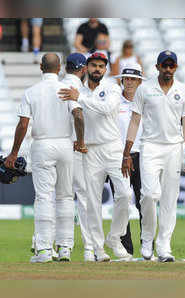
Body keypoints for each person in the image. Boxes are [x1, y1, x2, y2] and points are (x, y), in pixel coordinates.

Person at [4, 53, 86, 263]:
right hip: (65, 144)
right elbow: (78, 116)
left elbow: (23, 125)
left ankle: (44, 251)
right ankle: (65, 248)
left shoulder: (31, 91)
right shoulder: (66, 90)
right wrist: (81, 141)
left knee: (44, 197)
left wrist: (14, 153)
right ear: (59, 68)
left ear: (41, 67)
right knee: (66, 196)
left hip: (42, 144)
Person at [122, 50, 185, 262]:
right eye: (165, 65)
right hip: (150, 147)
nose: (168, 69)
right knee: (149, 195)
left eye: (172, 66)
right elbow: (134, 121)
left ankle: (164, 246)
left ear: (176, 68)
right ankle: (147, 239)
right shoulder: (145, 89)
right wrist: (126, 152)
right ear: (157, 67)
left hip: (174, 147)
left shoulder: (184, 90)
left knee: (169, 200)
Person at [58, 52, 132, 262]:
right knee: (92, 201)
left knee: (125, 194)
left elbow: (107, 109)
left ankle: (114, 237)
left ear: (105, 70)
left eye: (101, 66)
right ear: (86, 68)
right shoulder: (77, 90)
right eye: (93, 66)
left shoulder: (111, 88)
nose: (97, 69)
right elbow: (75, 117)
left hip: (112, 147)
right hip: (89, 150)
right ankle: (98, 249)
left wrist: (80, 98)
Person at [106, 62, 145, 257]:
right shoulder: (114, 102)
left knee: (144, 203)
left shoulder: (146, 102)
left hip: (143, 157)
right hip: (118, 157)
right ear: (121, 80)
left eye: (133, 79)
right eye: (126, 78)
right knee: (122, 202)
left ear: (139, 81)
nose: (129, 82)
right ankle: (125, 249)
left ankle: (147, 247)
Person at [61, 52, 95, 262]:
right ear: (83, 70)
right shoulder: (77, 90)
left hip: (57, 147)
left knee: (59, 198)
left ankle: (54, 246)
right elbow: (79, 115)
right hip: (75, 150)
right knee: (83, 199)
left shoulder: (53, 85)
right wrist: (81, 142)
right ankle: (89, 249)